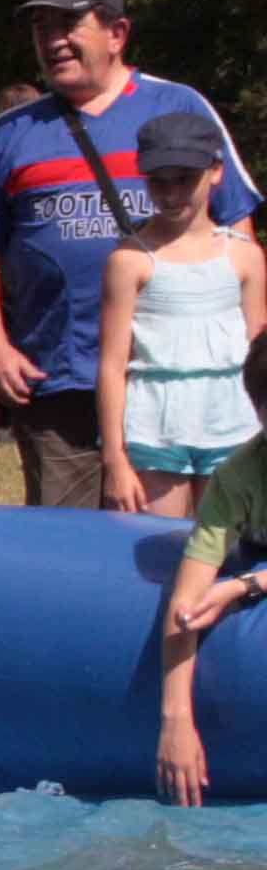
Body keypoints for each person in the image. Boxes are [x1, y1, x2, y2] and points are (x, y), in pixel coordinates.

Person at [0, 0, 260, 506]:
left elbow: (237, 227)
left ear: (117, 33)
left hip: (173, 380)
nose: (53, 41)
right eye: (41, 28)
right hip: (58, 377)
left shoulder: (180, 109)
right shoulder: (11, 133)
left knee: (170, 542)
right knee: (66, 547)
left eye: (68, 24)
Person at [97, 110, 267, 520]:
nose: (171, 194)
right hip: (156, 426)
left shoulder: (244, 255)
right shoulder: (130, 259)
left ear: (215, 172)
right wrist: (116, 460)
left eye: (184, 179)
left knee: (228, 550)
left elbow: (261, 354)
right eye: (159, 181)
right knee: (155, 548)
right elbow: (111, 366)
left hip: (233, 422)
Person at [152, 332, 267, 803]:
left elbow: (222, 591)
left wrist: (244, 586)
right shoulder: (240, 477)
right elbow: (187, 604)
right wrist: (176, 719)